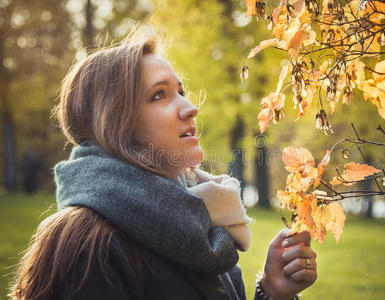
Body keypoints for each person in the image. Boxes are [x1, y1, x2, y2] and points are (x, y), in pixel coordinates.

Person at [8, 26, 317, 300]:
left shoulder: (200, 222)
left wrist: (272, 293)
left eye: (181, 91)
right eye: (159, 95)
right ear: (115, 123)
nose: (190, 108)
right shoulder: (89, 246)